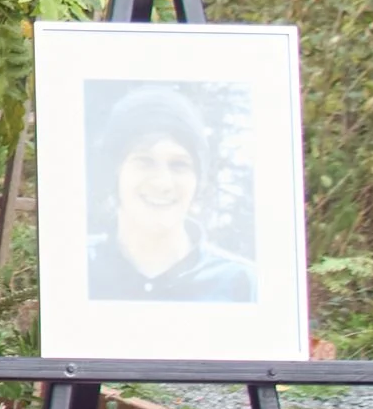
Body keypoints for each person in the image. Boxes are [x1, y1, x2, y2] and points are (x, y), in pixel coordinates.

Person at [85, 86, 256, 302]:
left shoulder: (241, 283)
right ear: (115, 171)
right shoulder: (77, 268)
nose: (162, 183)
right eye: (144, 162)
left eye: (179, 165)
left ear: (198, 179)